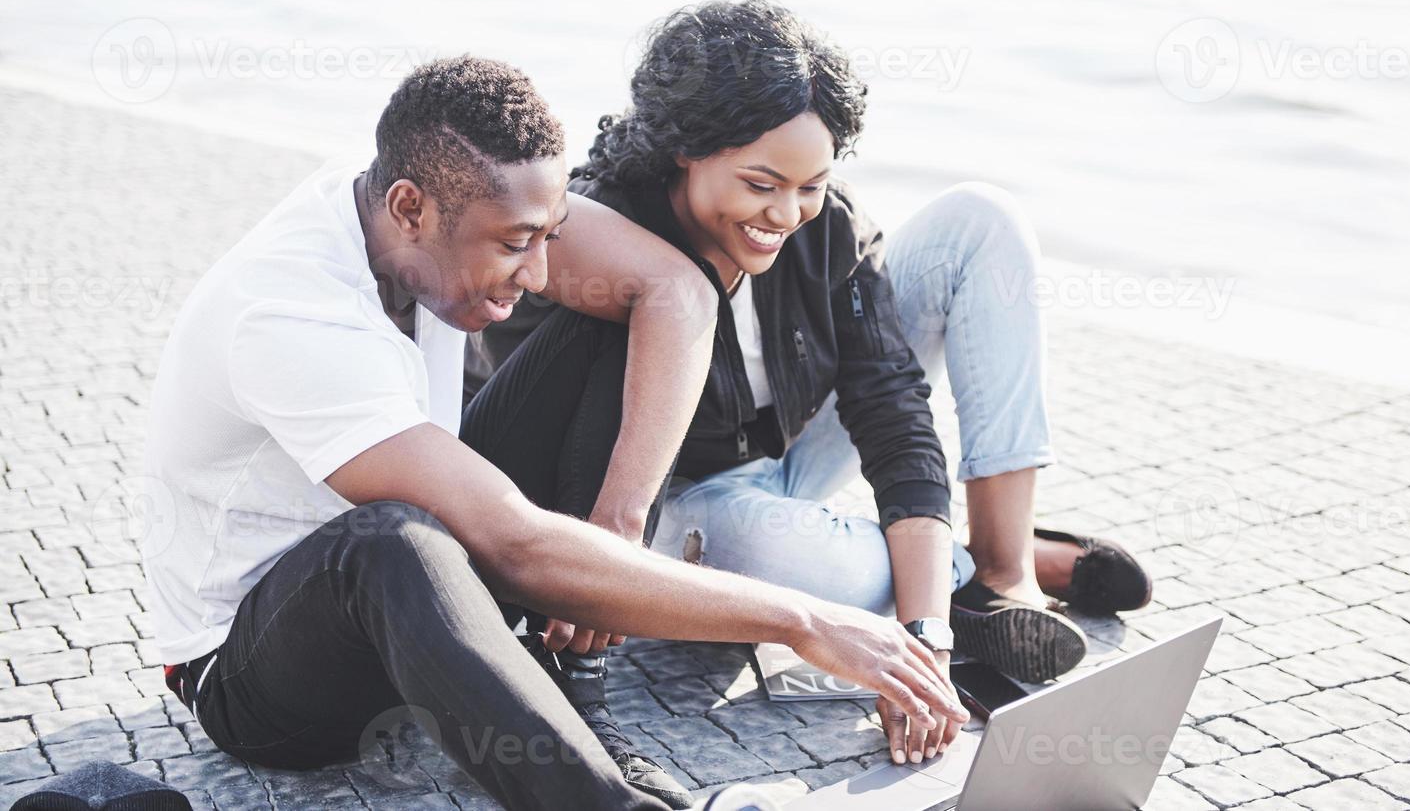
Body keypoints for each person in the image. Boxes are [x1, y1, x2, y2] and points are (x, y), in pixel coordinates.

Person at [139, 56, 968, 811]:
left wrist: (616, 527)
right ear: (409, 209)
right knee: (392, 542)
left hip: (433, 594)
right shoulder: (289, 312)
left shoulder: (412, 200)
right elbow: (513, 545)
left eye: (547, 237)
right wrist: (807, 621)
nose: (535, 276)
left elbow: (676, 292)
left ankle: (576, 683)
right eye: (513, 246)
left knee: (616, 310)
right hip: (257, 674)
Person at [473, 0, 1153, 770]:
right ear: (684, 150)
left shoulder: (822, 223)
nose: (786, 213)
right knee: (801, 563)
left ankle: (1002, 571)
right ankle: (950, 567)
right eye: (761, 183)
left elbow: (892, 410)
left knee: (981, 218)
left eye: (810, 184)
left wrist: (925, 639)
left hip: (790, 455)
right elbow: (558, 443)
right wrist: (603, 567)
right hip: (667, 500)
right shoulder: (596, 238)